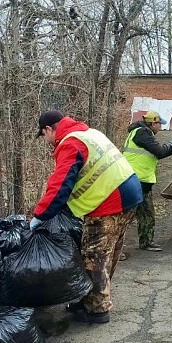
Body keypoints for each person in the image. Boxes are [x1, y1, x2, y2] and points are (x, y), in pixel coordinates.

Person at [31, 110, 143, 324]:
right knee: (110, 250)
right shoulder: (89, 133)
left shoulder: (70, 143)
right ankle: (98, 294)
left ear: (48, 129)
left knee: (94, 255)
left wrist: (40, 216)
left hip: (110, 200)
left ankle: (96, 309)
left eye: (43, 135)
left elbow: (60, 186)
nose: (45, 141)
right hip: (130, 192)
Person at [122, 111, 172, 252]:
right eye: (159, 124)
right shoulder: (142, 133)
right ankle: (117, 249)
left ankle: (146, 242)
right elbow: (159, 151)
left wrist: (171, 148)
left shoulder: (141, 133)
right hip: (134, 182)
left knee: (147, 214)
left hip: (141, 182)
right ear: (152, 124)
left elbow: (155, 152)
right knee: (125, 218)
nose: (161, 127)